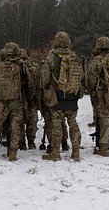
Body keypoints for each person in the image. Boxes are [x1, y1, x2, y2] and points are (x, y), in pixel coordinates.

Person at [40, 31, 83, 161]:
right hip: (72, 95)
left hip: (57, 95)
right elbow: (81, 75)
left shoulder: (51, 56)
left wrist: (45, 87)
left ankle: (55, 152)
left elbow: (45, 77)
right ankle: (75, 151)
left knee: (56, 124)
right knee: (73, 123)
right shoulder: (74, 56)